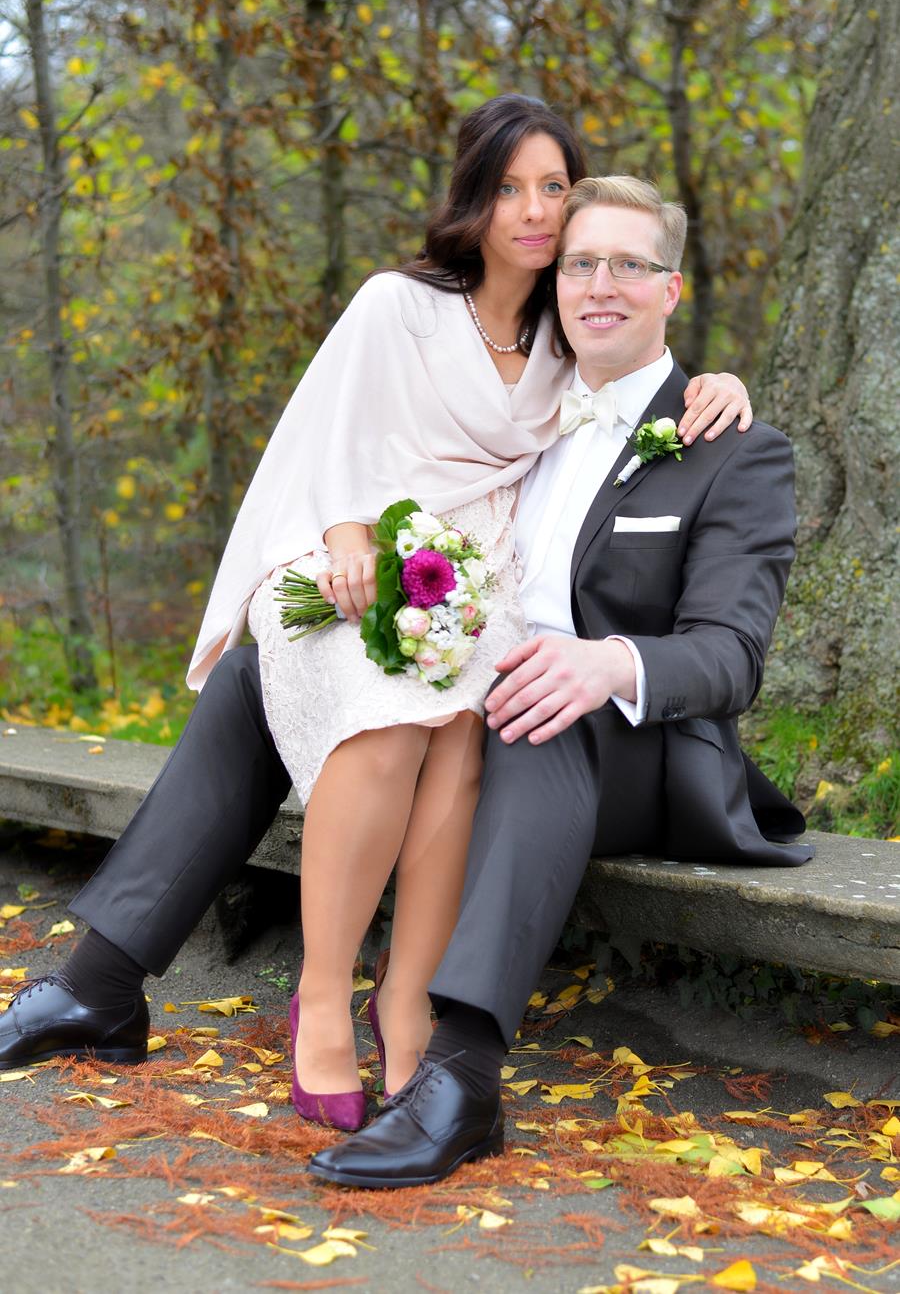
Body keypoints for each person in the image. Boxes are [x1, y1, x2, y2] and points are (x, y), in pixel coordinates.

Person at [0, 101, 751, 1108]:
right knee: (332, 687)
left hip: (483, 609)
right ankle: (275, 997)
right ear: (474, 198)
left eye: (553, 189)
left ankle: (366, 1001)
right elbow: (326, 444)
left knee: (428, 708)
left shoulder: (568, 339)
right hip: (351, 552)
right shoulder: (405, 307)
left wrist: (718, 382)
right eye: (509, 189)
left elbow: (638, 365)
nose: (534, 211)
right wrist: (351, 541)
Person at [303, 173, 812, 1189]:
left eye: (629, 264)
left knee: (543, 706)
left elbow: (730, 655)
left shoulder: (733, 448)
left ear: (671, 289)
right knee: (274, 674)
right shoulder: (520, 421)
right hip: (478, 713)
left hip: (634, 752)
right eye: (581, 264)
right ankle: (103, 974)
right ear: (556, 284)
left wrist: (606, 662)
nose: (600, 285)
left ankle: (460, 1079)